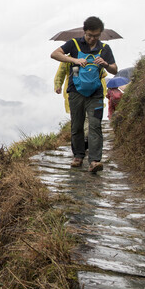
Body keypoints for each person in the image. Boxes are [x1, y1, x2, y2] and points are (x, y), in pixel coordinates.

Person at [51, 16, 118, 173]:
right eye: (89, 35)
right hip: (75, 92)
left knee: (95, 125)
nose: (92, 38)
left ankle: (95, 160)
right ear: (85, 32)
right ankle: (78, 156)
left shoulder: (104, 48)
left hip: (95, 93)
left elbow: (114, 69)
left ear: (100, 33)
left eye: (96, 36)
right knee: (77, 125)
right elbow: (54, 54)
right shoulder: (74, 44)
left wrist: (105, 64)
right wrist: (74, 60)